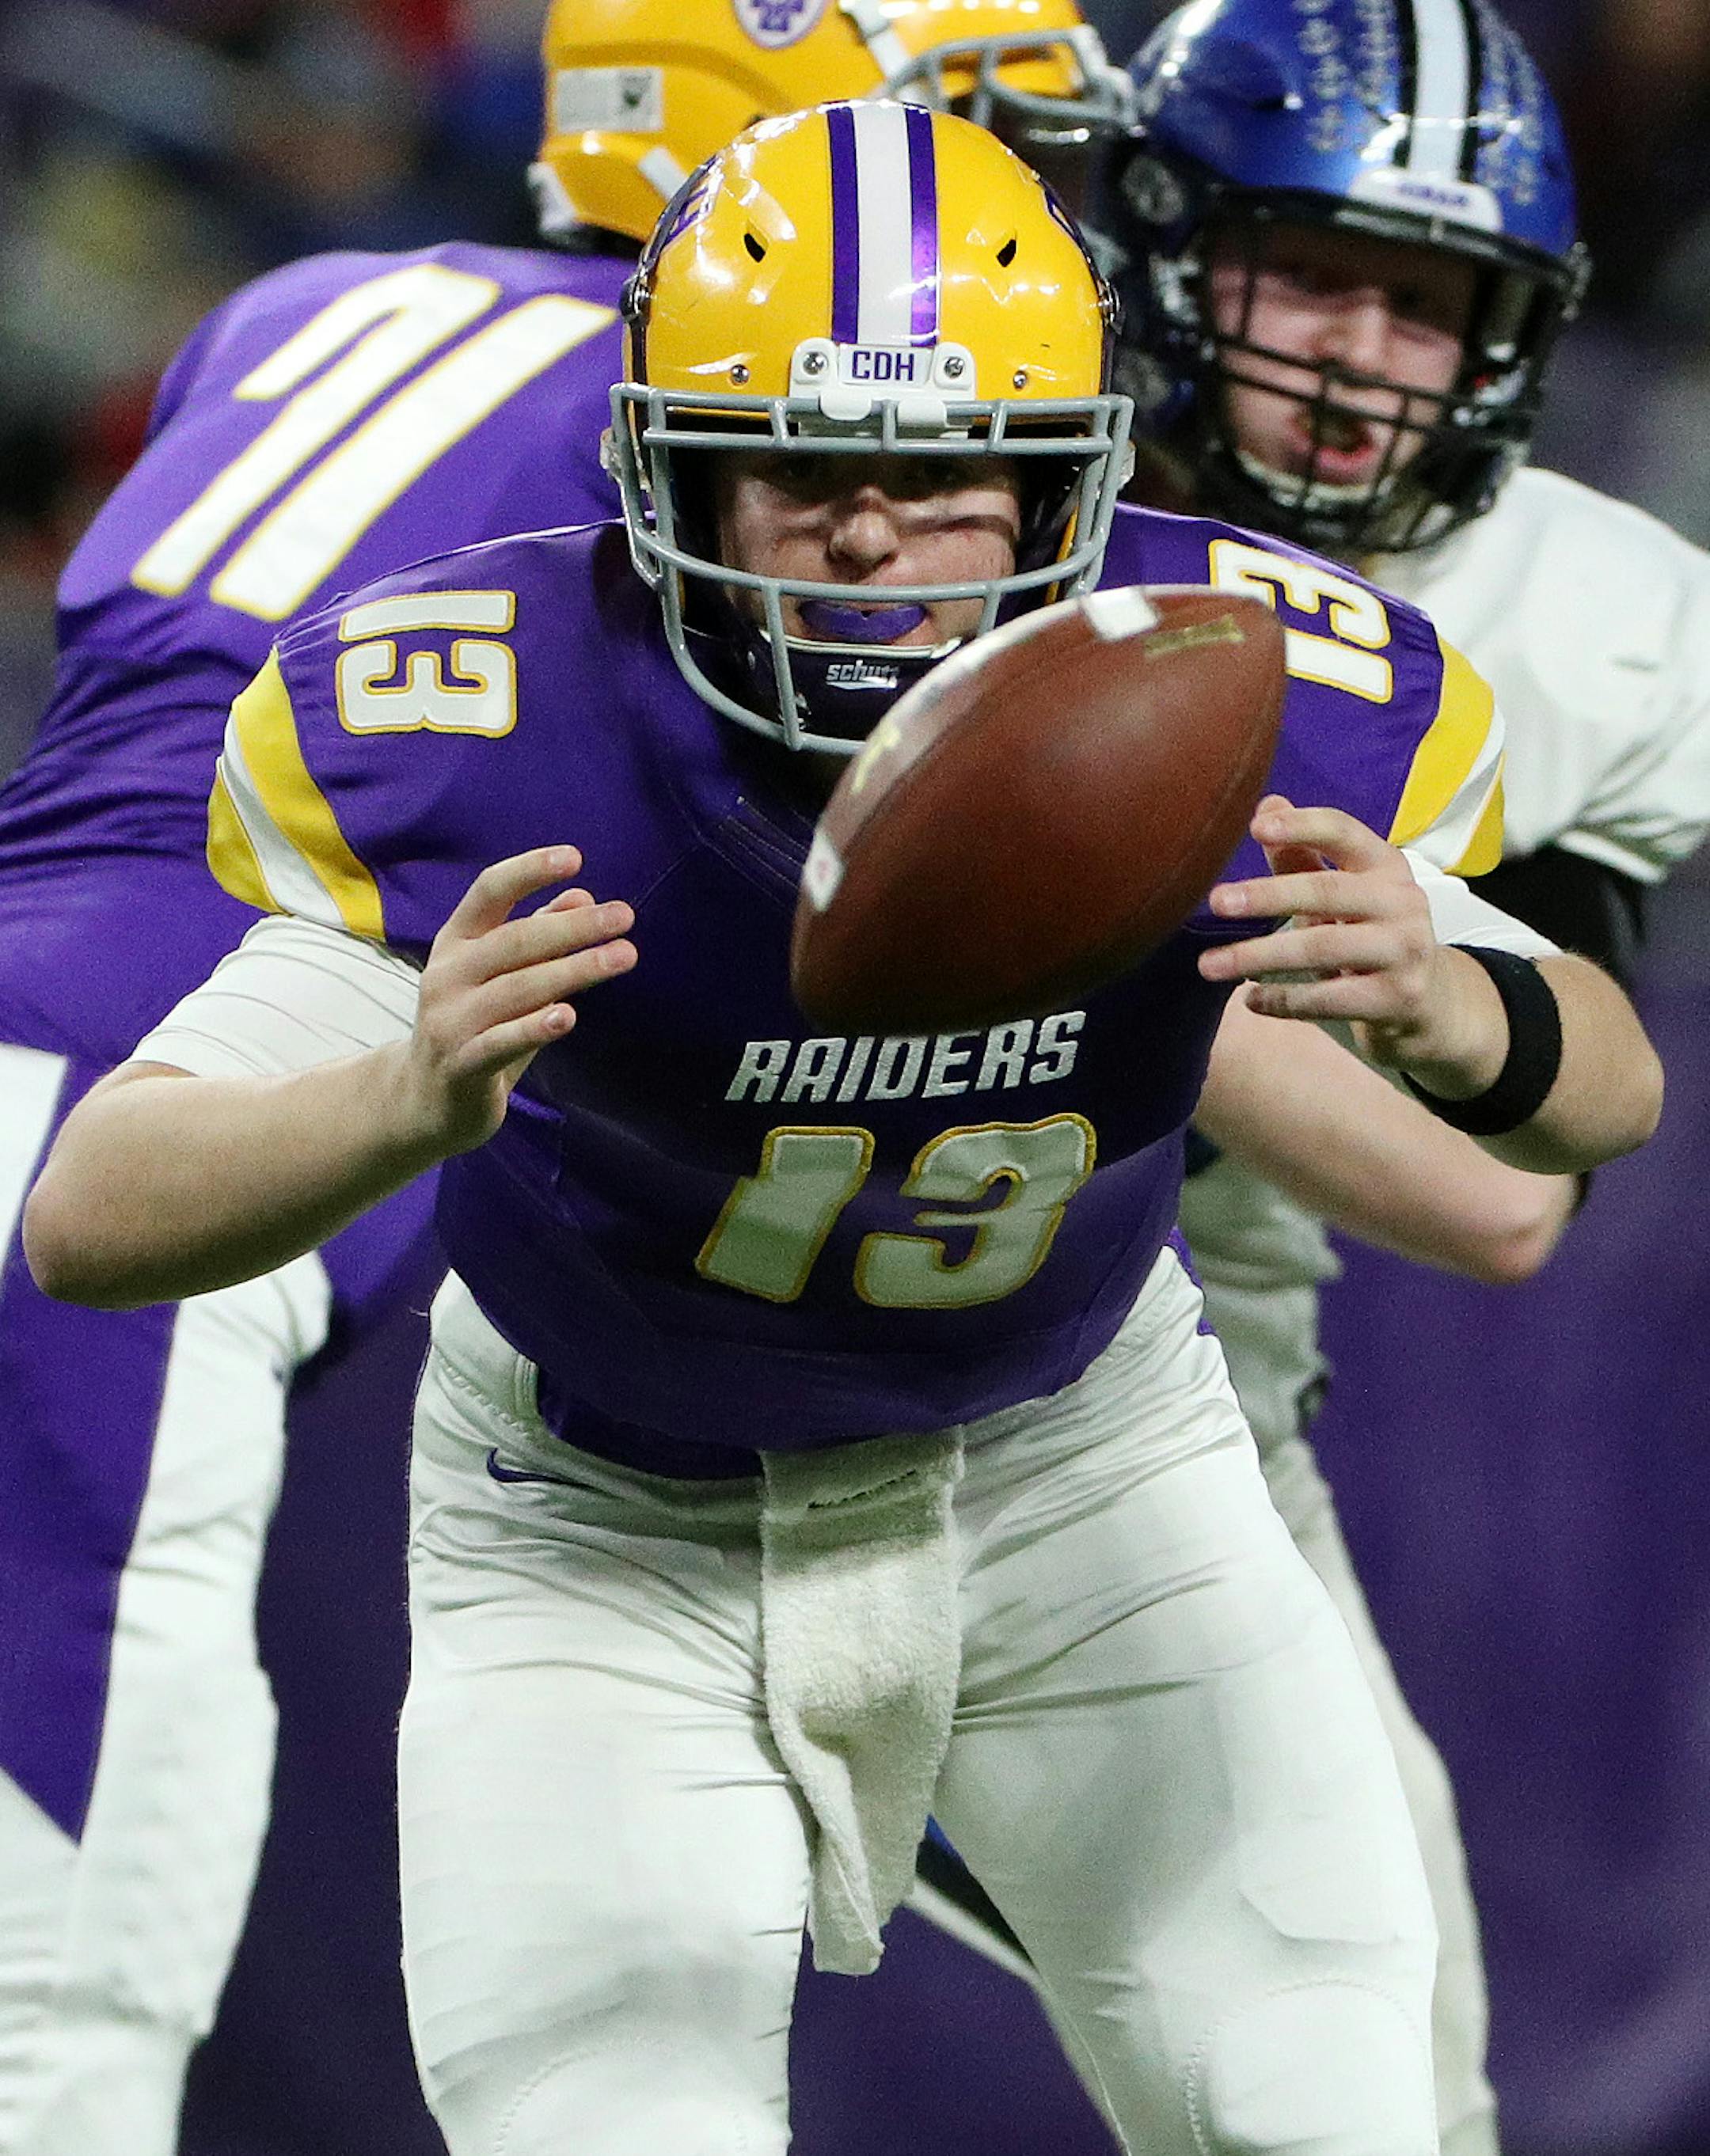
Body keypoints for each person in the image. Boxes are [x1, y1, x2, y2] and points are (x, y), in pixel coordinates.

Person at [22, 104, 1661, 2156]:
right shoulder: (496, 726)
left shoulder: (1216, 685)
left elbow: (1609, 1087)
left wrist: (1457, 999)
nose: (874, 539)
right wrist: (398, 1095)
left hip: (1085, 1469)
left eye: (949, 473)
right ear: (666, 474)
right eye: (801, 472)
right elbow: (89, 1216)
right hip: (601, 1520)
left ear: (1067, 481)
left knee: (1322, 2102)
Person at [0, 6, 1131, 2150]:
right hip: (144, 1095)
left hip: (51, 994)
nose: (1001, 222)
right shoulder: (717, 434)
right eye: (959, 134)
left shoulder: (304, 307)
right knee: (59, 1992)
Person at [1045, 2, 1710, 2150]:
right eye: (1311, 274)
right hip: (688, 1362)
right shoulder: (966, 483)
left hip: (1164, 1407)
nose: (1359, 360)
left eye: (1427, 307)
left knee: (1389, 2060)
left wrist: (1177, 969)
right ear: (1168, 251)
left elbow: (1514, 1191)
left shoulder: (1586, 618)